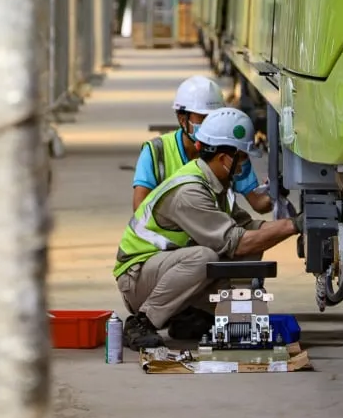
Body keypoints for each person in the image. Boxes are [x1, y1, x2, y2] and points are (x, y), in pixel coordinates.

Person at [113, 107, 304, 350]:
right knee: (206, 257)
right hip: (138, 277)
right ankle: (143, 322)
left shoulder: (217, 185)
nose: (244, 166)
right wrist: (294, 225)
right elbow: (238, 240)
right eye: (243, 158)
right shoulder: (191, 192)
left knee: (249, 252)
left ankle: (191, 316)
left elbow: (247, 228)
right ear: (225, 158)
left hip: (164, 269)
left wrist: (296, 225)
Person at [131, 75, 273, 215]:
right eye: (203, 117)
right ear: (182, 119)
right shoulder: (156, 151)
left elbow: (259, 204)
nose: (210, 123)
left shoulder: (230, 151)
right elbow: (140, 210)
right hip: (170, 237)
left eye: (214, 116)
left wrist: (274, 190)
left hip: (215, 234)